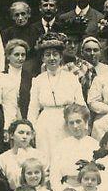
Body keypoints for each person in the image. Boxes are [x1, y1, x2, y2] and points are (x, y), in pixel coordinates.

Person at [27, 32, 86, 165]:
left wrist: (81, 125)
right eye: (47, 55)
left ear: (61, 57)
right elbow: (33, 108)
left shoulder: (71, 78)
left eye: (55, 54)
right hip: (45, 124)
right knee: (47, 158)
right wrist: (32, 129)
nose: (52, 58)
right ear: (42, 58)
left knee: (67, 157)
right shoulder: (38, 80)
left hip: (67, 122)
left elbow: (81, 106)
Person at [50, 104, 99, 191]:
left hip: (90, 190)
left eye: (78, 121)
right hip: (66, 189)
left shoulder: (95, 145)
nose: (75, 126)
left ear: (85, 122)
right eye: (71, 123)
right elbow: (54, 175)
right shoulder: (60, 146)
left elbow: (100, 173)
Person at [0, 119, 46, 191]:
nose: (24, 136)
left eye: (28, 133)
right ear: (11, 135)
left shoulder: (40, 156)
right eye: (21, 133)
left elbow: (44, 181)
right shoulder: (2, 159)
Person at [3, 38, 34, 119]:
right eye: (16, 54)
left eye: (23, 55)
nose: (20, 58)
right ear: (8, 56)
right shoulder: (0, 75)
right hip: (4, 115)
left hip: (24, 115)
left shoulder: (30, 77)